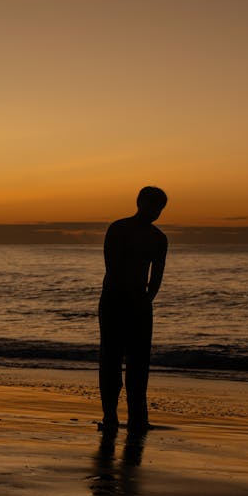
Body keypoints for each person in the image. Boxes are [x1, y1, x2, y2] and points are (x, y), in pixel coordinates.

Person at [98, 186, 168, 433]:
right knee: (111, 358)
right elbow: (112, 266)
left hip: (140, 303)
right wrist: (130, 295)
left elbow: (156, 275)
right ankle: (110, 417)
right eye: (152, 206)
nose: (155, 212)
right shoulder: (118, 229)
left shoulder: (159, 238)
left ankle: (138, 417)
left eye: (159, 209)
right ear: (140, 203)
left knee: (139, 362)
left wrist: (147, 299)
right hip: (114, 300)